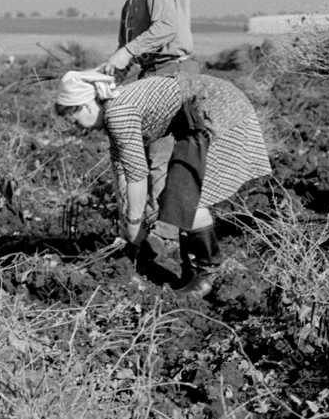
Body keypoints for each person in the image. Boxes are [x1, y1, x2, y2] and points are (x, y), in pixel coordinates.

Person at [55, 69, 272, 298]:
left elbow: (137, 177)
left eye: (76, 122)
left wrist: (134, 222)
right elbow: (122, 168)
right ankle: (192, 274)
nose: (79, 129)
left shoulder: (118, 113)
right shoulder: (113, 110)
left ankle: (208, 274)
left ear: (86, 106)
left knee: (189, 197)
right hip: (199, 117)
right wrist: (127, 220)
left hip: (217, 112)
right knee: (178, 197)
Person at [96, 0, 196, 229]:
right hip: (150, 74)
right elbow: (123, 53)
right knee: (137, 152)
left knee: (158, 155)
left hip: (174, 72)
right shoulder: (129, 5)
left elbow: (166, 27)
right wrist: (109, 79)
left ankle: (164, 232)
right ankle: (148, 224)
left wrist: (126, 52)